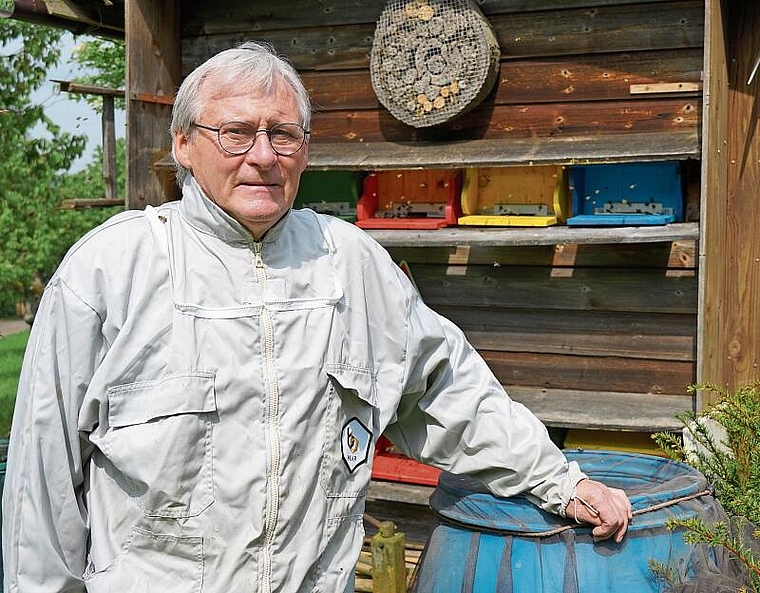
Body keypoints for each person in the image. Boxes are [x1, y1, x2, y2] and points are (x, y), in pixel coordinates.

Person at [2, 41, 631, 593]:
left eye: (284, 135)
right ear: (184, 146)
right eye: (237, 133)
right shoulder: (111, 270)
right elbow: (43, 478)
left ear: (305, 151)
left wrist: (559, 481)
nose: (263, 156)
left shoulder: (350, 263)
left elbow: (449, 392)